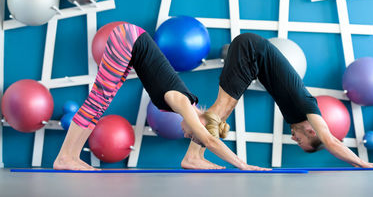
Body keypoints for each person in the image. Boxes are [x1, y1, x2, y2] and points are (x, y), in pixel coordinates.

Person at [53, 23, 268, 171]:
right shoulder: (182, 102)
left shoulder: (186, 102)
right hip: (128, 39)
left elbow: (206, 136)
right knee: (98, 100)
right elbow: (209, 139)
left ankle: (71, 156)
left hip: (131, 44)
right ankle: (65, 157)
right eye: (193, 136)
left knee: (100, 103)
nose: (187, 136)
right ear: (200, 123)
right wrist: (242, 164)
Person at [180, 32, 373, 169]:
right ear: (311, 131)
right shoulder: (308, 106)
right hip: (250, 50)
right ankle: (192, 157)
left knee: (223, 111)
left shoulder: (295, 115)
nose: (293, 138)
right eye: (300, 140)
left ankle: (195, 156)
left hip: (252, 58)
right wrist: (362, 163)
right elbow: (331, 141)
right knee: (222, 108)